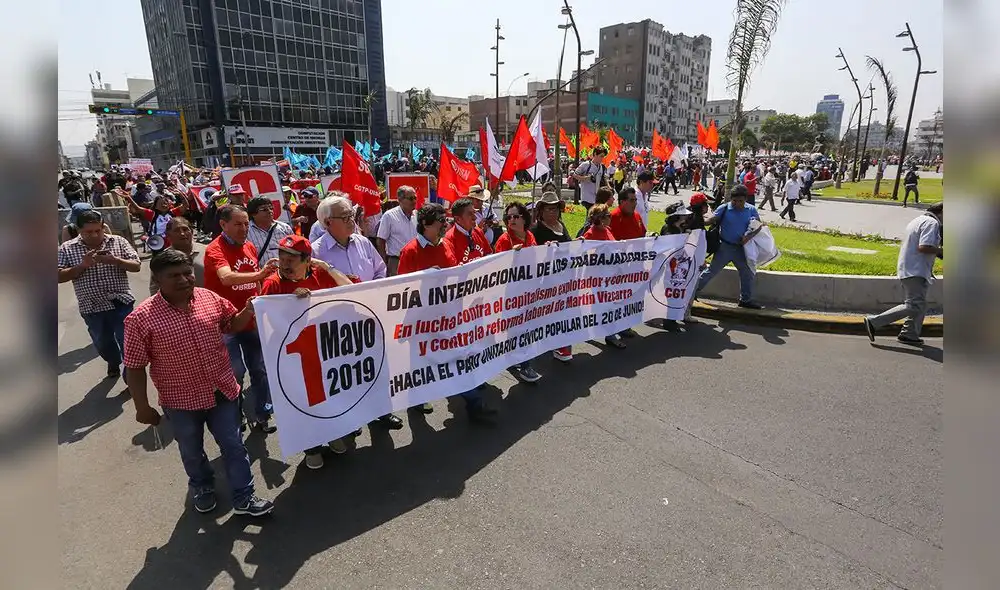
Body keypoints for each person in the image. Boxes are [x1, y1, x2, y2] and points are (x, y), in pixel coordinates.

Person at [123, 249, 273, 517]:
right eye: (173, 276)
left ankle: (244, 496)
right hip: (181, 401)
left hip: (223, 392)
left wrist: (248, 310)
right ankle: (202, 486)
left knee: (234, 445)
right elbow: (134, 367)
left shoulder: (210, 298)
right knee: (191, 451)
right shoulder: (140, 318)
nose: (183, 279)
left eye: (187, 273)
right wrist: (141, 406)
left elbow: (232, 325)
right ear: (157, 279)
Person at [259, 235, 354, 469]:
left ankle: (332, 434)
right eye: (282, 257)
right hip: (294, 357)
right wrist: (293, 303)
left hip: (324, 351)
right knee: (304, 401)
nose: (285, 263)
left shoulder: (319, 274)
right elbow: (268, 321)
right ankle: (311, 446)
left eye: (291, 259)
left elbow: (350, 290)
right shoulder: (273, 284)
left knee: (328, 396)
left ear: (308, 261)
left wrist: (327, 267)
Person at [312, 196, 404, 429]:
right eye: (344, 217)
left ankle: (382, 411)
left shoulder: (362, 242)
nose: (351, 220)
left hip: (369, 316)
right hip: (338, 324)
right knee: (348, 373)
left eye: (351, 214)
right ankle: (351, 419)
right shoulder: (316, 253)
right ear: (327, 222)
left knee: (378, 366)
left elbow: (380, 270)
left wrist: (373, 291)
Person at [406, 202, 498, 424]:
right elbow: (404, 291)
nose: (444, 225)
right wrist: (426, 276)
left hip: (449, 317)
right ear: (426, 224)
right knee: (420, 364)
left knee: (456, 359)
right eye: (441, 222)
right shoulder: (410, 251)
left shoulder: (444, 245)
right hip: (424, 322)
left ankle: (475, 404)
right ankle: (416, 400)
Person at [203, 204, 278, 433]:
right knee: (235, 371)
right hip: (226, 323)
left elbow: (255, 282)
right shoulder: (214, 250)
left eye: (246, 223)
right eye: (238, 224)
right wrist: (261, 274)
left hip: (251, 318)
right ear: (223, 225)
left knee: (259, 368)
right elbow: (225, 278)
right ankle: (235, 414)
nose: (244, 228)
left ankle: (263, 413)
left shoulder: (249, 247)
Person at [58, 209, 142, 379]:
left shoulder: (118, 242)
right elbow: (58, 276)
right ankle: (112, 361)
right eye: (88, 232)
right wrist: (82, 266)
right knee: (103, 343)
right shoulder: (67, 248)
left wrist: (116, 261)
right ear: (79, 230)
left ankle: (131, 381)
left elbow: (136, 265)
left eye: (98, 230)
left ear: (103, 227)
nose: (95, 235)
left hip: (121, 303)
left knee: (128, 343)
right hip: (92, 306)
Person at [863, 203, 942, 345]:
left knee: (920, 305)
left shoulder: (918, 220)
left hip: (911, 268)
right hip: (916, 270)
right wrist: (941, 252)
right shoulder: (932, 223)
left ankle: (909, 334)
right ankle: (874, 321)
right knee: (914, 305)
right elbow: (925, 246)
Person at [493, 202, 542, 384]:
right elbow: (497, 269)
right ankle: (525, 366)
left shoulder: (529, 236)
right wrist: (509, 257)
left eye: (515, 216)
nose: (511, 220)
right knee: (517, 330)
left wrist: (550, 250)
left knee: (525, 329)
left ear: (524, 218)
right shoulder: (505, 240)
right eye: (508, 217)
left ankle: (520, 361)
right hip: (511, 295)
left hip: (529, 293)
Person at [695, 185, 764, 309]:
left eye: (740, 201)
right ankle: (692, 292)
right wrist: (699, 218)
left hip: (741, 249)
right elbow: (712, 219)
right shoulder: (725, 208)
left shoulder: (751, 209)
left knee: (746, 273)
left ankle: (745, 300)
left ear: (746, 199)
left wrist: (748, 237)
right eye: (735, 201)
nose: (737, 203)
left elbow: (759, 225)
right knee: (710, 272)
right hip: (724, 247)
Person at [149, 217, 205, 295]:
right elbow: (155, 289)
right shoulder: (162, 259)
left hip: (208, 303)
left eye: (185, 229)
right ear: (168, 236)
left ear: (192, 232)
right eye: (177, 231)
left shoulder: (208, 251)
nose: (182, 234)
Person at [376, 185, 419, 276]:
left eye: (415, 198)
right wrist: (384, 262)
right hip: (396, 262)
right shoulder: (389, 216)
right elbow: (381, 240)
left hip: (416, 260)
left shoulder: (417, 215)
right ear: (400, 200)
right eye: (411, 198)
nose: (414, 201)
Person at [247, 196, 293, 265]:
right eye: (264, 209)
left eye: (271, 208)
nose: (269, 211)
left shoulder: (285, 228)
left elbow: (295, 251)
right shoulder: (246, 231)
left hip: (286, 273)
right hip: (259, 274)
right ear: (253, 214)